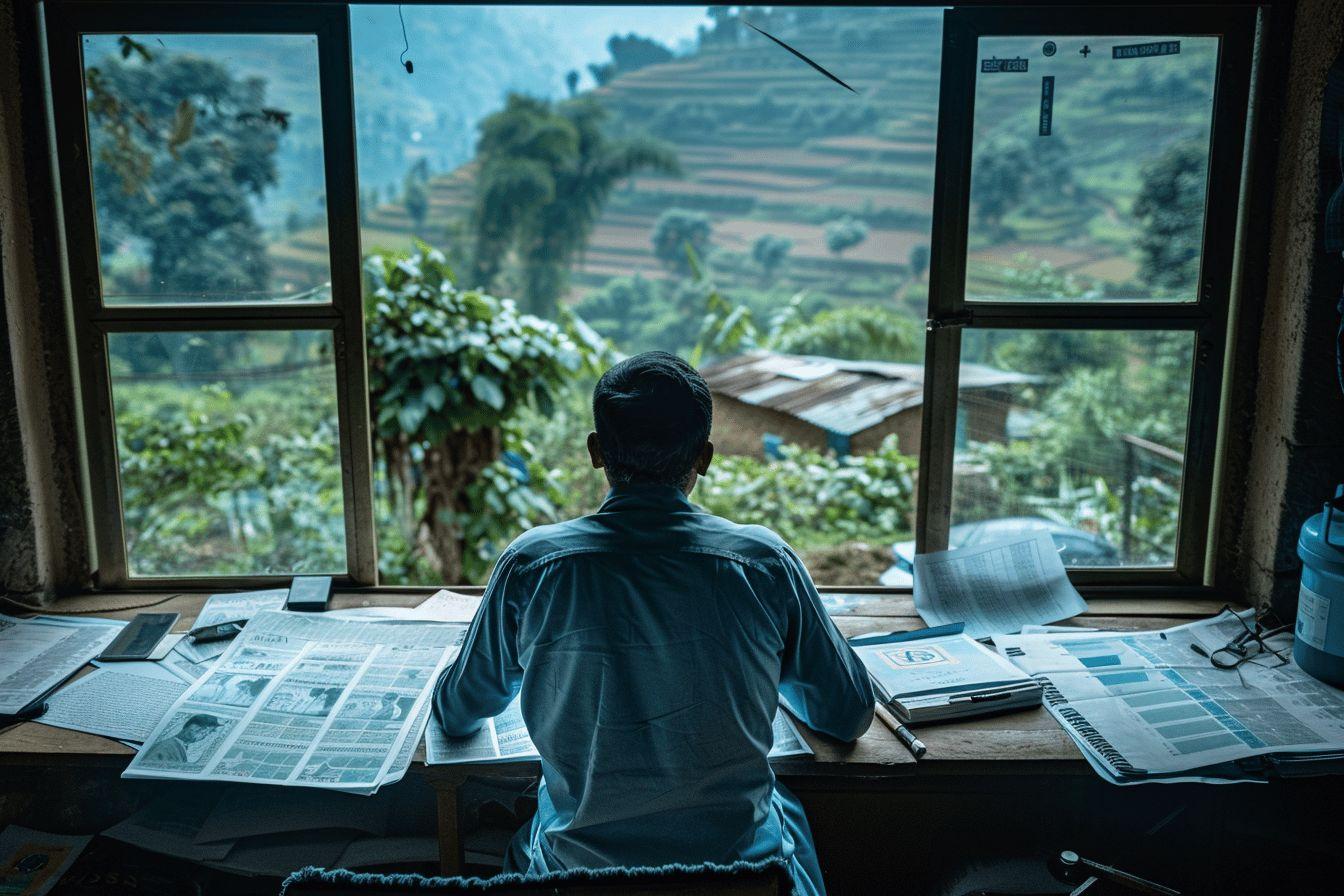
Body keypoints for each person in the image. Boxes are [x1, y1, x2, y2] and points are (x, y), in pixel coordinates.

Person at [435, 351, 873, 894]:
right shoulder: (763, 563)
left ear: (596, 452)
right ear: (706, 457)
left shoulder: (533, 564)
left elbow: (457, 712)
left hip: (579, 879)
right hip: (741, 879)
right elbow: (847, 715)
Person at [143, 713, 221, 765]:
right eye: (203, 729)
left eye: (208, 733)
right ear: (191, 726)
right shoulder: (166, 746)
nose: (204, 735)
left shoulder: (179, 746)